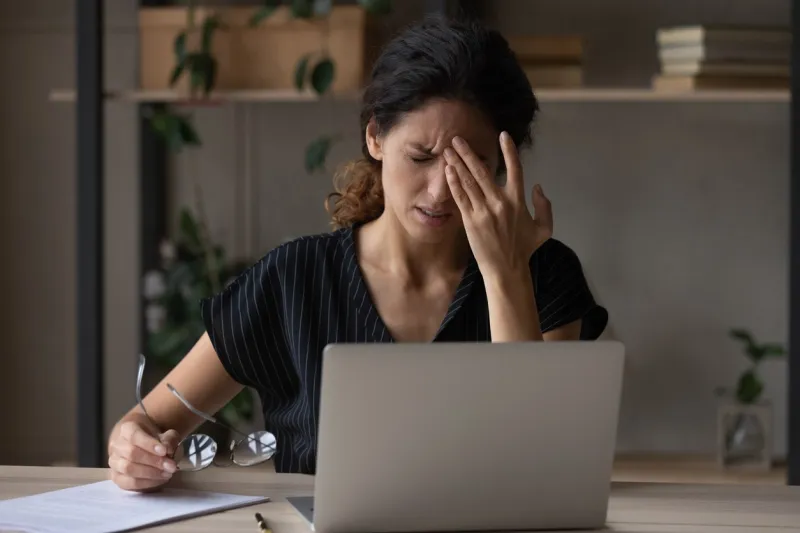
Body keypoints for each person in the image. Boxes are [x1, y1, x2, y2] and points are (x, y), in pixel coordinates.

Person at [107, 14, 608, 492]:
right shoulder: (294, 279)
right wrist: (133, 449)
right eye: (421, 157)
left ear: (504, 164)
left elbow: (536, 460)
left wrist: (506, 274)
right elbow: (146, 421)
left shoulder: (545, 274)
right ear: (375, 137)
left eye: (467, 165)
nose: (437, 192)